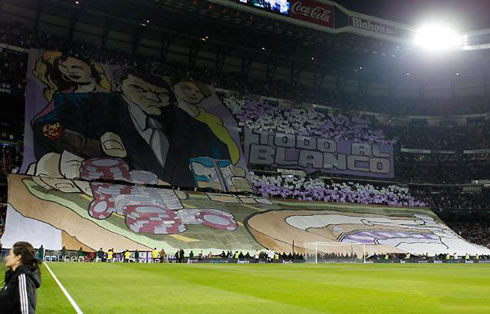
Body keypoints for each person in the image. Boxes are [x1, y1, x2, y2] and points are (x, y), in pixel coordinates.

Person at [33, 67, 236, 187]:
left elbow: (220, 152)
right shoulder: (87, 104)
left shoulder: (189, 125)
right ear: (120, 87)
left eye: (160, 94)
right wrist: (86, 144)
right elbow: (47, 127)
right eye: (138, 89)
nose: (151, 97)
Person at [0, 241, 42, 313]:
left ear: (18, 257)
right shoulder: (13, 276)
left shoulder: (23, 278)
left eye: (10, 254)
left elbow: (26, 311)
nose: (7, 257)